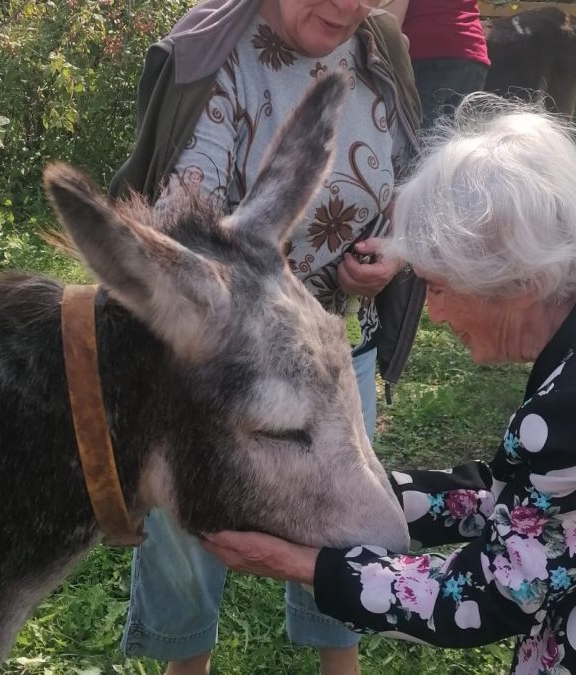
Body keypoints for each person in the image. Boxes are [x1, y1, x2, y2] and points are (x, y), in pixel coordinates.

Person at [202, 97, 576, 674]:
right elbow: (532, 501)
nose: (434, 314)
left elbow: (477, 598)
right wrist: (351, 489)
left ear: (516, 283)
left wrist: (300, 563)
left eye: (437, 288)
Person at [107, 1, 423, 673]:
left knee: (347, 521)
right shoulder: (212, 54)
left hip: (337, 349)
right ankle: (184, 662)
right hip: (208, 371)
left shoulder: (380, 48)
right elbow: (176, 229)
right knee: (188, 545)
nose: (346, 5)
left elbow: (403, 173)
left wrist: (394, 252)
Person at [386, 0, 490, 127]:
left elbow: (390, 23)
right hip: (471, 51)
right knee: (457, 138)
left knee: (423, 137)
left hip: (427, 53)